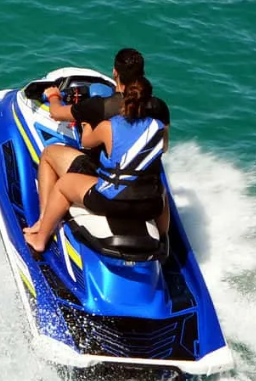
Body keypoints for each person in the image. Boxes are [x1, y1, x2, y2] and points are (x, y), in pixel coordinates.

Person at [24, 75, 168, 253]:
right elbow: (163, 148)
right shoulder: (160, 128)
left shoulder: (108, 126)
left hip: (111, 202)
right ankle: (164, 241)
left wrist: (87, 122)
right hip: (149, 206)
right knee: (162, 190)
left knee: (63, 184)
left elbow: (86, 142)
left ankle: (40, 238)